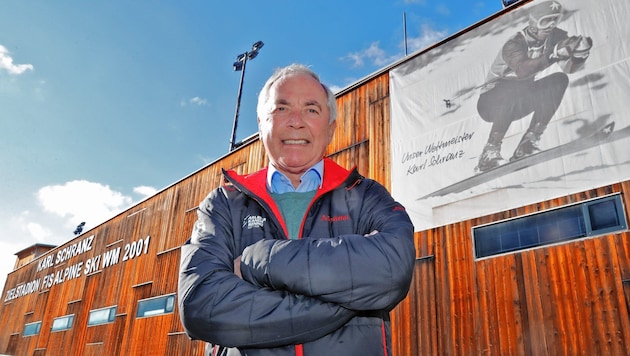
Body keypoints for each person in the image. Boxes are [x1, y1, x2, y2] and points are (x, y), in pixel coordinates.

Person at [178, 63, 416, 356]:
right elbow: (201, 304)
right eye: (281, 108)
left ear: (330, 129)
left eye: (311, 109)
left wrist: (259, 260)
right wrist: (341, 305)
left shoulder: (367, 195)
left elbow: (393, 269)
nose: (296, 121)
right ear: (261, 123)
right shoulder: (223, 204)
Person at [476, 0, 592, 172]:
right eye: (545, 21)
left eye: (554, 20)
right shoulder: (513, 44)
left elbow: (568, 69)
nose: (550, 25)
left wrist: (578, 55)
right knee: (512, 87)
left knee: (559, 80)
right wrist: (553, 54)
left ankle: (528, 142)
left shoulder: (555, 36)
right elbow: (523, 70)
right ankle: (490, 151)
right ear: (533, 23)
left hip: (520, 99)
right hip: (491, 102)